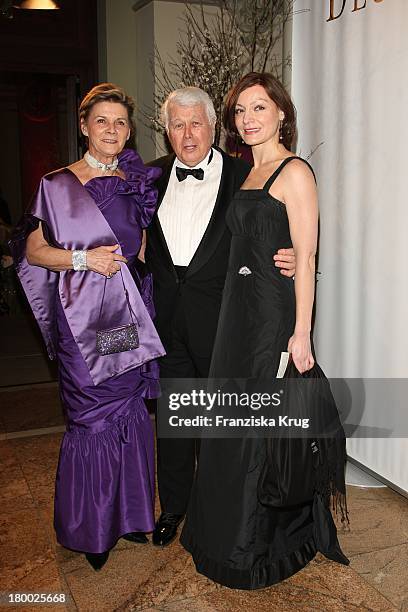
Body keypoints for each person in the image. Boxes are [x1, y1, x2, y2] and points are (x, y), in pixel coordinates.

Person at [180, 73, 349, 589]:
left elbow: (307, 254)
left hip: (273, 316)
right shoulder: (247, 173)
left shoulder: (295, 172)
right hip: (238, 313)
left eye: (259, 108)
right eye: (240, 112)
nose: (248, 119)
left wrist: (302, 333)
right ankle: (220, 532)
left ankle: (260, 545)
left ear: (281, 113)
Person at [9, 83, 165, 571]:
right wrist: (81, 258)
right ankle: (92, 529)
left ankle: (127, 518)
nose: (112, 130)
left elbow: (140, 249)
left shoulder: (135, 180)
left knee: (127, 413)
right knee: (91, 417)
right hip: (83, 322)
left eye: (120, 122)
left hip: (126, 317)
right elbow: (33, 252)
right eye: (102, 121)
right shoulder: (56, 185)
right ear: (83, 127)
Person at [145, 86, 296, 547]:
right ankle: (173, 507)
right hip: (166, 321)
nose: (187, 134)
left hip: (226, 322)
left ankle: (220, 511)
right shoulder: (146, 179)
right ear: (166, 130)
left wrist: (294, 257)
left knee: (224, 426)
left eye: (196, 123)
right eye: (177, 124)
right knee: (173, 423)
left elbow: (271, 228)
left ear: (214, 126)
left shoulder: (244, 175)